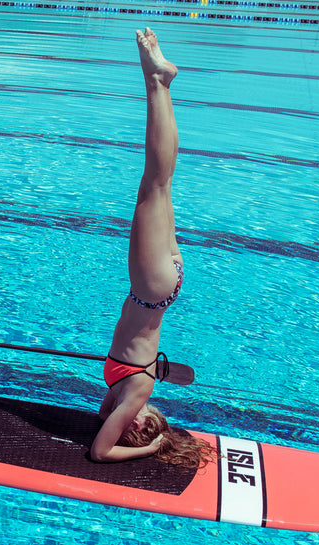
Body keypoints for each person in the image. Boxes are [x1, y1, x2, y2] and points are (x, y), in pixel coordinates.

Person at [89, 28, 213, 469]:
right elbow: (101, 452)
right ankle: (157, 82)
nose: (124, 425)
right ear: (143, 424)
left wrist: (130, 422)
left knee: (159, 184)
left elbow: (102, 424)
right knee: (154, 183)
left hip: (161, 286)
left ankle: (158, 82)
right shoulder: (137, 392)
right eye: (135, 429)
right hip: (152, 286)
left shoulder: (127, 395)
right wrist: (151, 447)